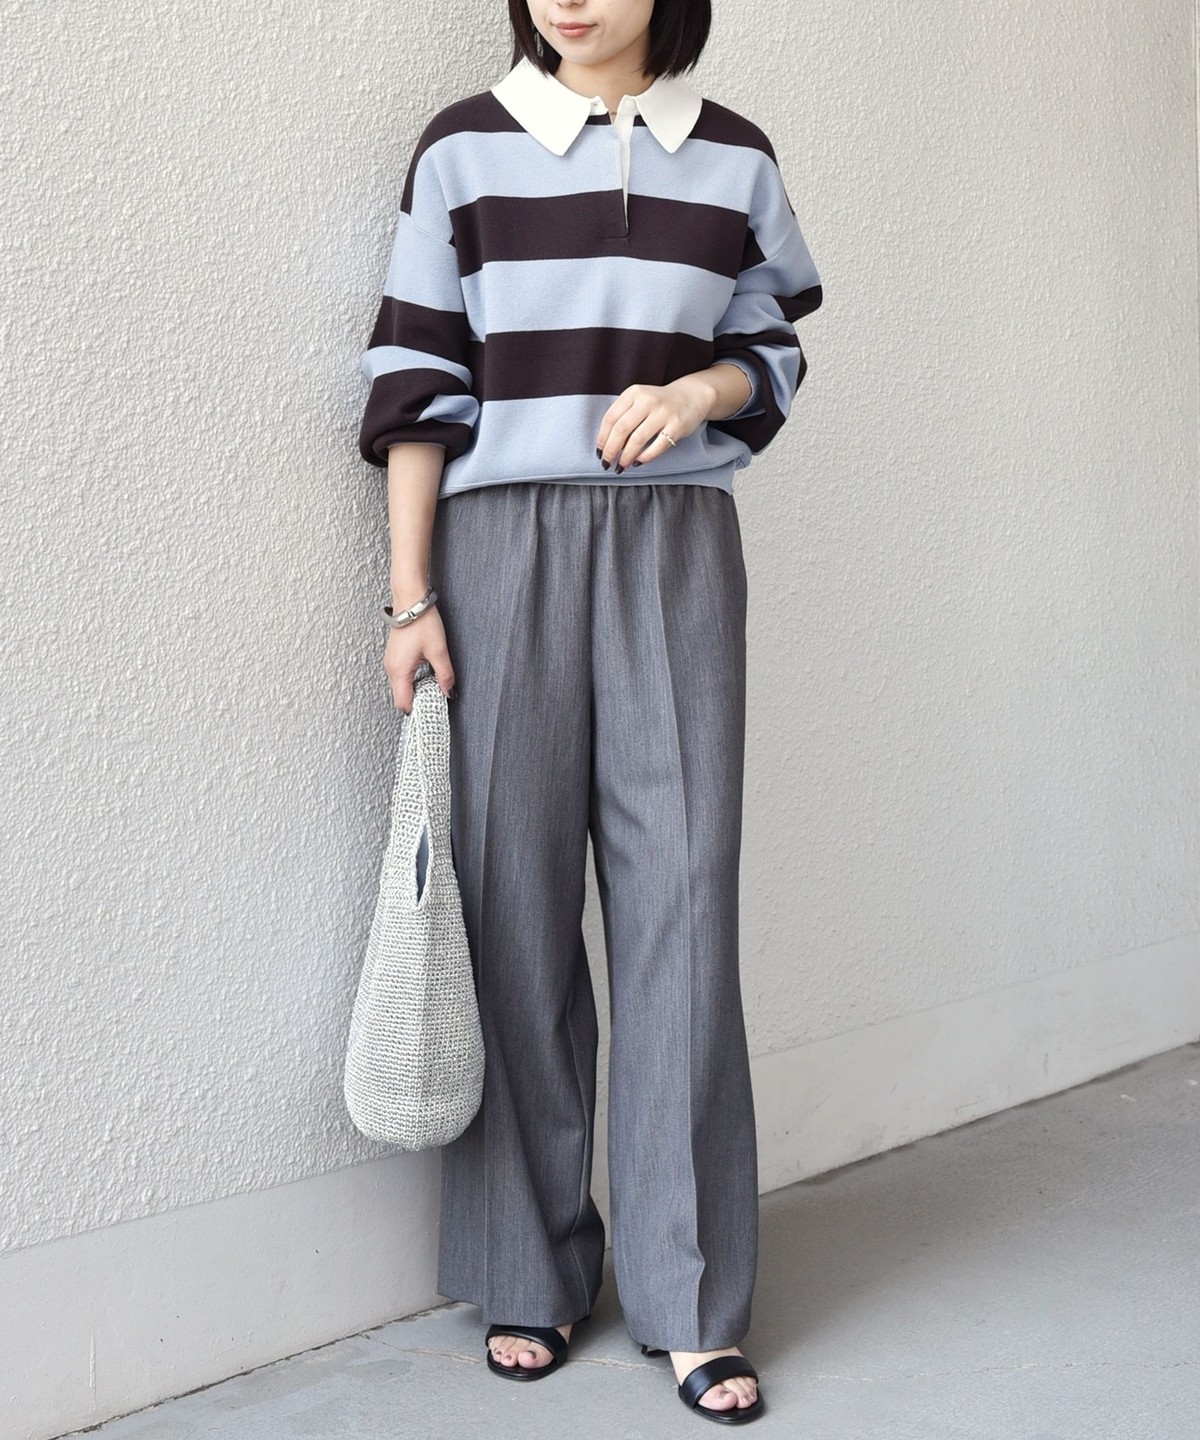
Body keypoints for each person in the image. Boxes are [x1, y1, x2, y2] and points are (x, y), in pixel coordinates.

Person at [356, 0, 821, 1423]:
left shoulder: (733, 155)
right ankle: (530, 1266)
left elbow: (775, 350)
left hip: (672, 543)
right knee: (509, 898)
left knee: (683, 898)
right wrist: (411, 598)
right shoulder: (463, 148)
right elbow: (414, 376)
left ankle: (693, 1297)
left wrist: (695, 390)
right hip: (500, 547)